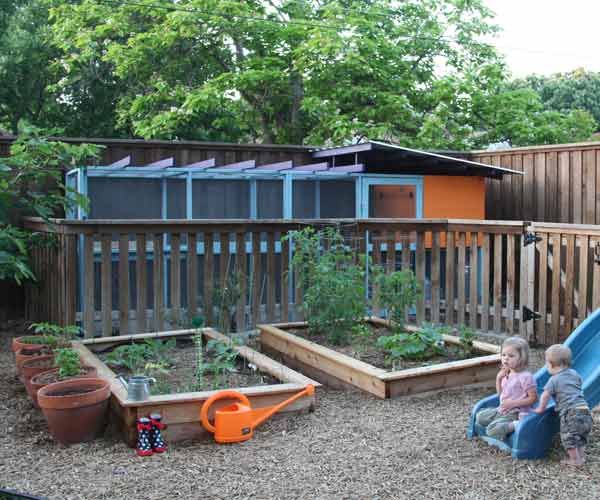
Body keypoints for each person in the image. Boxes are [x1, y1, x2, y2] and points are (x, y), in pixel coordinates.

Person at [533, 344, 592, 466]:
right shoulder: (574, 373)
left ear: (551, 364)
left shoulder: (554, 379)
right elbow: (579, 385)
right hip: (584, 409)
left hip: (571, 412)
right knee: (581, 436)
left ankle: (575, 460)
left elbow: (545, 395)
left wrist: (540, 408)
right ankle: (581, 456)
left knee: (568, 437)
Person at [476, 336, 537, 440]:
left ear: (522, 358)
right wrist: (498, 379)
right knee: (480, 417)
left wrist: (513, 403)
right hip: (502, 409)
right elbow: (500, 394)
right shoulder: (507, 373)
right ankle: (499, 422)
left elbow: (533, 399)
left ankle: (517, 424)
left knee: (491, 430)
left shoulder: (525, 377)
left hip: (515, 413)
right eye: (503, 355)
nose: (506, 358)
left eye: (511, 356)